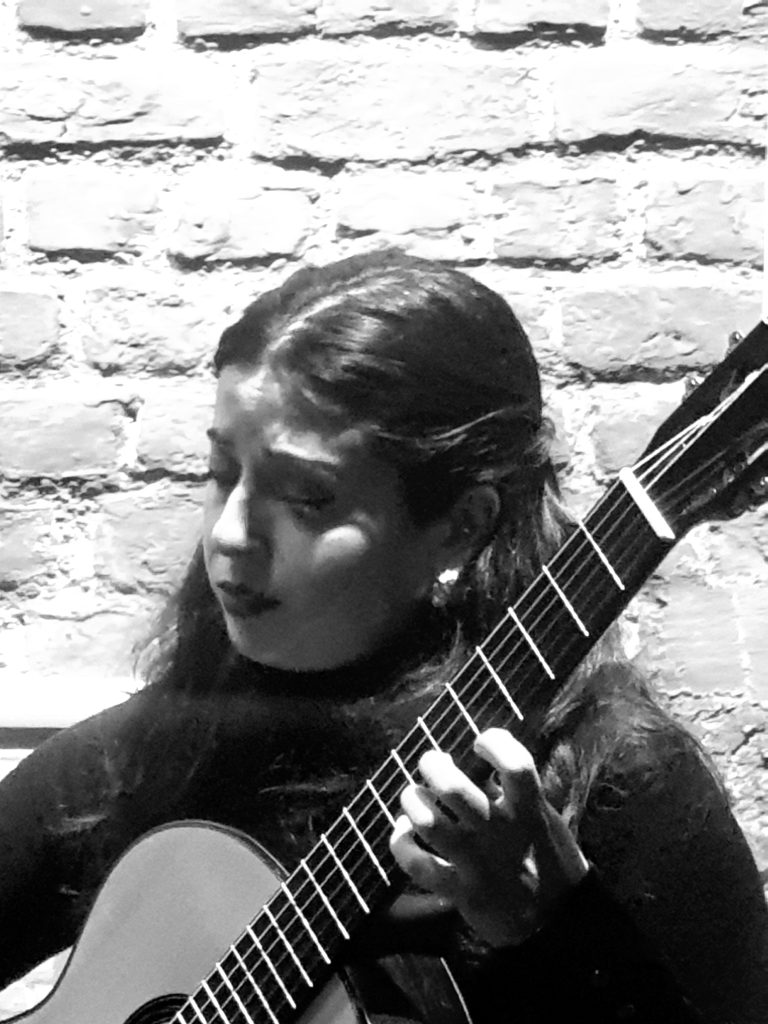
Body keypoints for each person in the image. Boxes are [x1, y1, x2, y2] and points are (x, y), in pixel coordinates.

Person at [0, 250, 766, 1023]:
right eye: (222, 470)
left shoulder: (616, 781)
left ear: (459, 527)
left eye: (307, 496)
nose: (230, 535)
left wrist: (555, 931)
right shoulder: (140, 759)